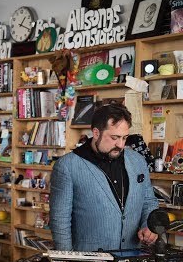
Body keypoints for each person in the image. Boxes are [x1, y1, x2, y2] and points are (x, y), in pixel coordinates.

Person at [49, 103, 159, 252]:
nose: (120, 145)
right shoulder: (67, 166)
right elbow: (60, 221)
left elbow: (149, 201)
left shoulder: (138, 160)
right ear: (96, 133)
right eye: (114, 137)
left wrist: (148, 224)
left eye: (124, 138)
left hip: (132, 256)